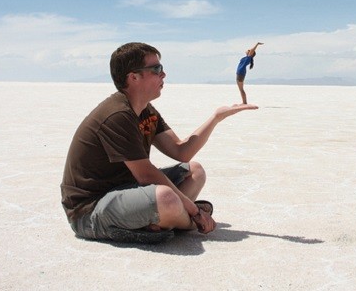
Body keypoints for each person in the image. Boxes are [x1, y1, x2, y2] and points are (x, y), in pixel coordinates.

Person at [60, 42, 258, 244]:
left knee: (195, 171)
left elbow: (181, 151)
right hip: (90, 210)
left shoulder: (145, 110)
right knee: (166, 197)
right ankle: (185, 221)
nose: (163, 74)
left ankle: (164, 219)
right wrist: (195, 211)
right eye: (156, 69)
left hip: (125, 188)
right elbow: (145, 174)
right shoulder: (118, 115)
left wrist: (216, 117)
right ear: (133, 77)